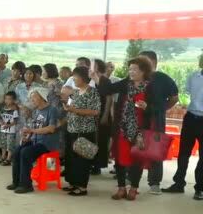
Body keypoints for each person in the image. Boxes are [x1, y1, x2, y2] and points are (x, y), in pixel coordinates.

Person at [92, 57, 159, 201]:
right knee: (120, 159)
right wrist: (97, 78)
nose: (131, 72)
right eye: (130, 69)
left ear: (143, 71)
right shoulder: (125, 83)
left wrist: (146, 107)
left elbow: (157, 109)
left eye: (134, 69)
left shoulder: (150, 87)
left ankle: (134, 188)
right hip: (122, 128)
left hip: (140, 131)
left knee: (137, 160)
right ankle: (121, 188)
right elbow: (108, 89)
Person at [162, 54, 203, 200]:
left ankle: (200, 189)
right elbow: (190, 94)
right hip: (191, 117)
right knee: (183, 153)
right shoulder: (194, 76)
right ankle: (178, 183)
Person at [138, 50, 179, 194]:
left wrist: (162, 109)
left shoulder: (164, 79)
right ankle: (131, 178)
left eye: (142, 60)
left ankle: (154, 182)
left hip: (156, 120)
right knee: (136, 147)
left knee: (155, 149)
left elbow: (174, 98)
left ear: (153, 62)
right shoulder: (136, 76)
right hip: (138, 119)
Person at [8, 87, 60, 194]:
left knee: (25, 153)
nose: (32, 100)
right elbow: (34, 128)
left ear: (41, 97)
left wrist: (32, 130)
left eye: (34, 98)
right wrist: (27, 136)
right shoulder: (36, 111)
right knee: (17, 151)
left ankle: (26, 185)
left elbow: (51, 128)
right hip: (36, 140)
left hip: (46, 143)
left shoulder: (52, 110)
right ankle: (16, 182)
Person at [63, 67, 101, 196]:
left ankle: (82, 186)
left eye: (75, 77)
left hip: (85, 131)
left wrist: (75, 110)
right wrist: (67, 108)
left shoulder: (93, 92)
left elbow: (96, 111)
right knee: (71, 159)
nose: (73, 79)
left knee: (82, 160)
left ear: (83, 78)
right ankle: (73, 183)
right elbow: (70, 107)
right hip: (71, 129)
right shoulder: (75, 92)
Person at [92, 59, 113, 175]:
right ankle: (92, 162)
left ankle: (97, 165)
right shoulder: (90, 80)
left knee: (100, 139)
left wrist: (105, 115)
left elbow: (109, 99)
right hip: (91, 113)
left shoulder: (105, 81)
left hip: (102, 113)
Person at [0, 91, 19, 165]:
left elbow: (16, 121)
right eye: (6, 99)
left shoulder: (14, 109)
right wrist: (1, 122)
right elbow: (0, 117)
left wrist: (9, 125)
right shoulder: (3, 108)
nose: (7, 100)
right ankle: (3, 156)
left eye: (9, 99)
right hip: (3, 130)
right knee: (3, 144)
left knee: (10, 145)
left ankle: (8, 158)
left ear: (13, 100)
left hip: (11, 131)